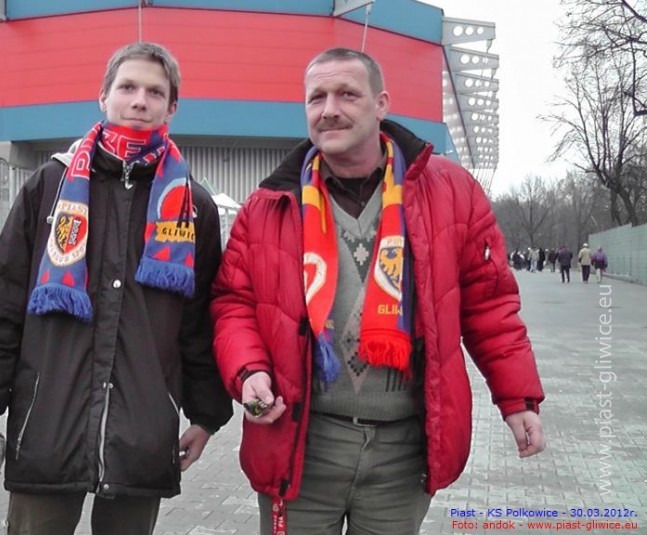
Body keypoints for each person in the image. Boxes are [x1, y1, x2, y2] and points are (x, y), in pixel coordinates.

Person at [211, 48, 546, 535]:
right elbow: (233, 304)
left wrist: (518, 399)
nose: (329, 109)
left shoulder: (451, 192)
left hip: (402, 457)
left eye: (347, 94)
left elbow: (490, 305)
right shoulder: (267, 206)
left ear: (381, 103)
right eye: (317, 98)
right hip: (301, 448)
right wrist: (249, 371)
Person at [0, 42, 232, 535]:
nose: (139, 100)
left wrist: (205, 416)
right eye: (128, 87)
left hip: (141, 435)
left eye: (155, 92)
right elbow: (1, 302)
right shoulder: (49, 186)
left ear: (172, 107)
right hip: (46, 427)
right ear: (103, 97)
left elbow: (199, 322)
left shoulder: (193, 207)